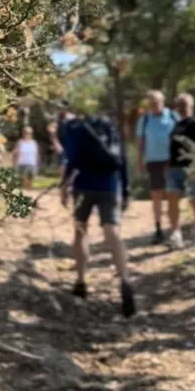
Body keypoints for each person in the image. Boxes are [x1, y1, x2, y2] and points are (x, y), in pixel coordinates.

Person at [60, 110, 136, 318]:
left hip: (83, 185)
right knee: (112, 231)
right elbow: (122, 161)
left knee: (80, 231)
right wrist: (126, 190)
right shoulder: (112, 131)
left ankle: (81, 280)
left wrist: (64, 185)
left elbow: (71, 159)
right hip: (109, 186)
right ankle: (125, 279)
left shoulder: (77, 129)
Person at [166, 92, 195, 249]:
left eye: (184, 104)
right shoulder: (176, 125)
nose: (181, 108)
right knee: (172, 200)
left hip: (192, 168)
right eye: (179, 105)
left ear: (191, 106)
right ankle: (175, 235)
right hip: (174, 168)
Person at [136, 91, 178, 244]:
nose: (154, 105)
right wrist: (139, 162)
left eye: (156, 102)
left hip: (171, 160)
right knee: (156, 196)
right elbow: (140, 142)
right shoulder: (145, 119)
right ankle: (158, 229)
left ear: (163, 101)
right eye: (151, 103)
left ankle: (174, 229)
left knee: (173, 194)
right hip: (153, 161)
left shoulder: (173, 116)